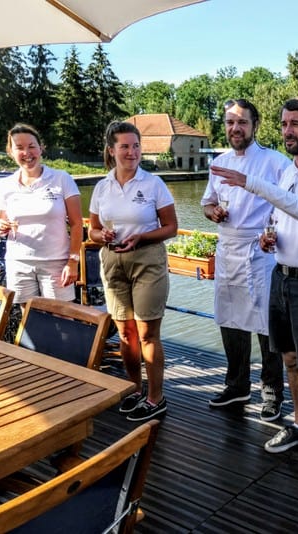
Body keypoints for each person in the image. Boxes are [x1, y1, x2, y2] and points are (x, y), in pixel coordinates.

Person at [213, 96, 298, 477]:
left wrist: (252, 183)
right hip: (282, 275)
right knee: (289, 359)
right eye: (284, 124)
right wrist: (269, 238)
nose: (287, 131)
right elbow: (283, 217)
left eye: (295, 125)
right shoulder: (288, 171)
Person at [201, 98, 289, 420]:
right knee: (230, 320)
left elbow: (289, 205)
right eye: (229, 122)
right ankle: (237, 385)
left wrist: (274, 232)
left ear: (255, 125)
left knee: (267, 325)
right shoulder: (219, 162)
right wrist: (214, 213)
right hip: (227, 249)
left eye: (242, 122)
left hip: (260, 252)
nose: (235, 128)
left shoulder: (274, 162)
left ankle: (271, 392)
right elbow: (207, 204)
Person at [88, 121, 178, 422]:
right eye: (125, 146)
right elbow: (94, 231)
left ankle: (156, 398)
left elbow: (171, 227)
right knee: (126, 334)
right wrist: (103, 237)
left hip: (147, 260)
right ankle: (134, 389)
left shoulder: (153, 184)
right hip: (113, 262)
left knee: (147, 334)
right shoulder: (102, 187)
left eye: (136, 145)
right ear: (111, 151)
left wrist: (141, 236)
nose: (132, 152)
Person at [0, 123, 82, 307]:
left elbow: (76, 223)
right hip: (19, 263)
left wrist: (73, 261)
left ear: (41, 148)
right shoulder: (5, 185)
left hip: (56, 263)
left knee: (63, 319)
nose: (27, 152)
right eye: (19, 147)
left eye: (32, 146)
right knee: (28, 321)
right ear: (11, 152)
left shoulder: (61, 178)